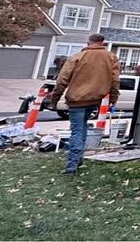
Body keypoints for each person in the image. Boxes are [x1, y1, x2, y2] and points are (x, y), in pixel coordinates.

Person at [48, 33, 119, 174]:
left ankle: (71, 166)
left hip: (76, 100)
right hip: (95, 100)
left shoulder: (77, 57)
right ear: (102, 42)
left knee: (77, 130)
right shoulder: (111, 58)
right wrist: (113, 99)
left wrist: (54, 99)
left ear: (88, 42)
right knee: (83, 127)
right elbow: (115, 81)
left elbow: (62, 80)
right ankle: (78, 158)